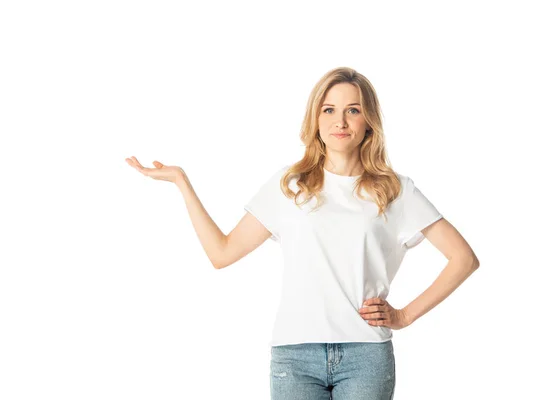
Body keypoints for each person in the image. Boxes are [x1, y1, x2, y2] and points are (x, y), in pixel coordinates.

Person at [125, 66, 480, 400]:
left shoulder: (394, 190)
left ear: (368, 120)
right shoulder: (290, 186)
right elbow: (222, 253)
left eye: (353, 110)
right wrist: (181, 182)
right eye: (328, 110)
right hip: (294, 357)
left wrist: (404, 315)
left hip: (366, 355)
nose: (340, 121)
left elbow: (463, 259)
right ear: (315, 118)